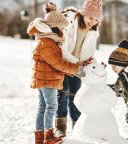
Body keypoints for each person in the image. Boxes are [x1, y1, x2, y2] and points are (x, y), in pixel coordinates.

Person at [27, 2, 92, 144]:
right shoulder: (46, 42)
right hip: (46, 79)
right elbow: (58, 63)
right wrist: (75, 69)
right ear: (54, 26)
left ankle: (40, 137)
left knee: (44, 106)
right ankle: (48, 136)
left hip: (45, 77)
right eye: (62, 25)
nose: (65, 27)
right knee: (51, 106)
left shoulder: (50, 40)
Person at [54, 0, 103, 138]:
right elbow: (63, 49)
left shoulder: (93, 30)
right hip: (63, 63)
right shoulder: (70, 22)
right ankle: (60, 128)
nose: (92, 21)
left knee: (75, 96)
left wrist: (92, 63)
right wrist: (78, 62)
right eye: (90, 17)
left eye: (96, 19)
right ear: (83, 13)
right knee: (62, 95)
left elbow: (89, 53)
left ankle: (78, 126)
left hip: (77, 67)